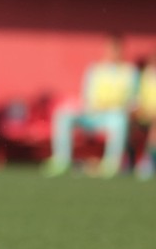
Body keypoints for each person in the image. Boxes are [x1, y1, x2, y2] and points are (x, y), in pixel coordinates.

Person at [42, 35, 138, 178]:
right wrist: (92, 107)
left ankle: (111, 164)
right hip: (92, 113)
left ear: (121, 51)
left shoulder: (129, 72)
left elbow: (133, 102)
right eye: (110, 49)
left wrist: (116, 107)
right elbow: (87, 97)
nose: (113, 52)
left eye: (116, 49)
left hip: (113, 116)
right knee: (63, 115)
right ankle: (62, 160)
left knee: (119, 120)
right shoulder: (95, 69)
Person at [133, 48, 156, 179]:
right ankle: (142, 159)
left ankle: (148, 159)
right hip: (145, 114)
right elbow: (137, 99)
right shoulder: (144, 77)